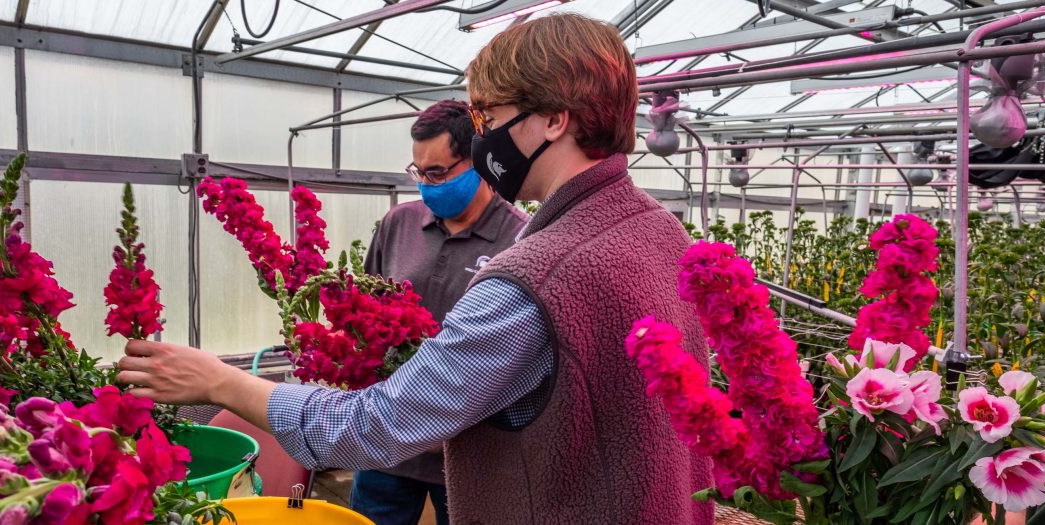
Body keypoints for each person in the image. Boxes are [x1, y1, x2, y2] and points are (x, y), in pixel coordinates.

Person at [117, 13, 713, 524]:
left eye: (490, 115)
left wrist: (221, 381)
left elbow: (381, 423)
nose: (483, 137)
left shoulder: (536, 275)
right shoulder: (659, 231)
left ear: (556, 119)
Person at [351, 100, 527, 525]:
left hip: (468, 452)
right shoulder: (398, 224)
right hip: (388, 443)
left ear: (478, 161)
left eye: (437, 173)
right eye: (418, 173)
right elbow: (366, 314)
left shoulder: (520, 238)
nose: (426, 185)